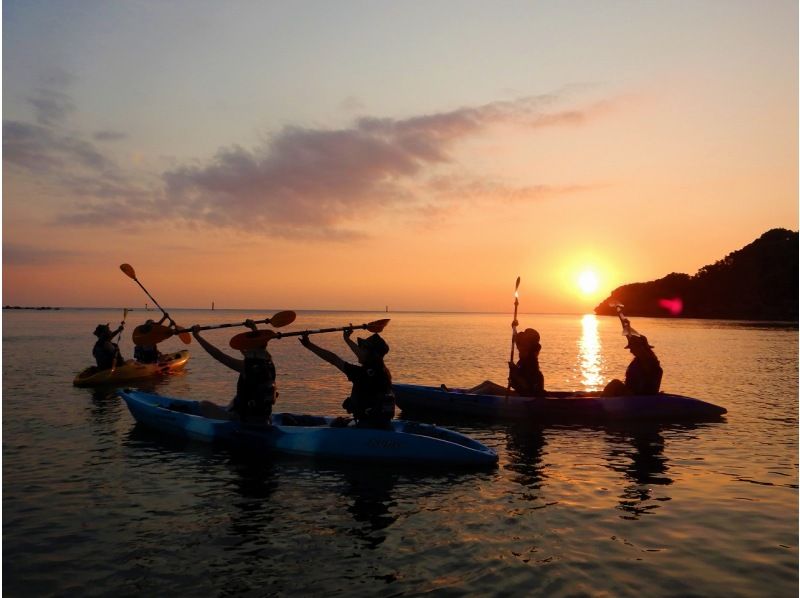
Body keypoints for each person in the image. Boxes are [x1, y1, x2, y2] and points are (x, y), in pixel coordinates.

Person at [299, 329, 395, 428]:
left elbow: (334, 359)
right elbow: (362, 355)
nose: (358, 350)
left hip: (367, 426)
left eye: (362, 348)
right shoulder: (382, 372)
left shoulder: (362, 374)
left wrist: (309, 345)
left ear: (370, 354)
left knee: (336, 424)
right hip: (383, 424)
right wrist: (346, 339)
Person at [191, 321, 276, 425]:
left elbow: (218, 355)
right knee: (235, 400)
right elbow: (259, 345)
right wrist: (253, 328)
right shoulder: (269, 361)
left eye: (246, 347)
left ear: (251, 349)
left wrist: (197, 336)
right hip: (264, 418)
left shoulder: (246, 367)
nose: (244, 350)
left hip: (245, 420)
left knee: (204, 405)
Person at [465, 328, 546, 397]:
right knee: (487, 383)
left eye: (524, 340)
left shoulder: (530, 361)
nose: (519, 347)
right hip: (520, 394)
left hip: (523, 397)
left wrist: (514, 371)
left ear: (529, 343)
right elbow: (517, 340)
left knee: (490, 388)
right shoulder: (526, 351)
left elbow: (526, 387)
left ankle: (465, 399)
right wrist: (514, 327)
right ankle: (466, 394)